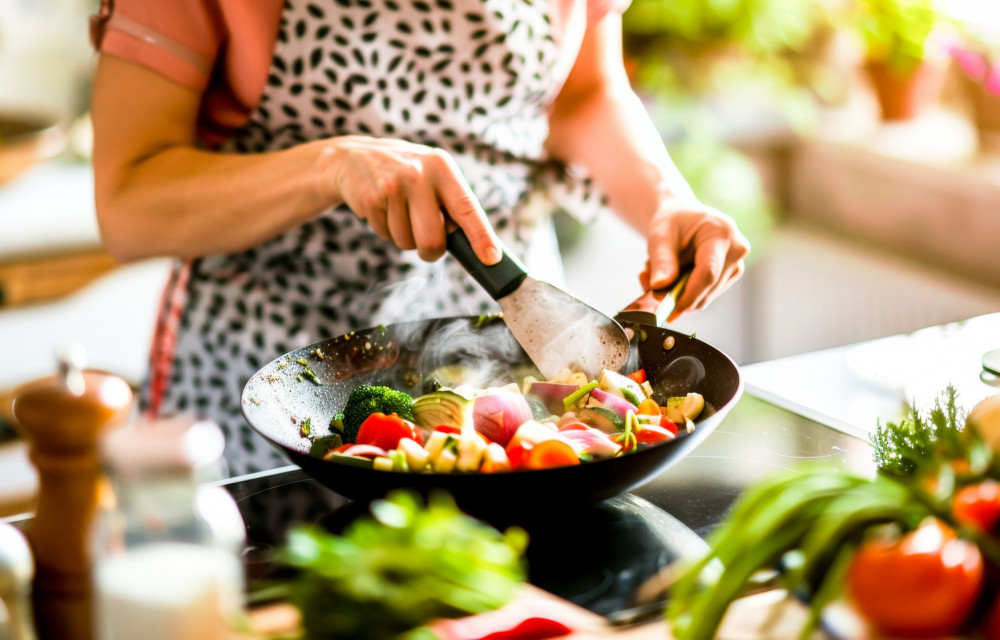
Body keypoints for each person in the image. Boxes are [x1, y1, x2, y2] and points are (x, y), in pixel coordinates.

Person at [90, 0, 750, 476]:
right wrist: (329, 164)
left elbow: (584, 92)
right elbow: (129, 204)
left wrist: (669, 201)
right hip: (277, 376)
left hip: (518, 340)